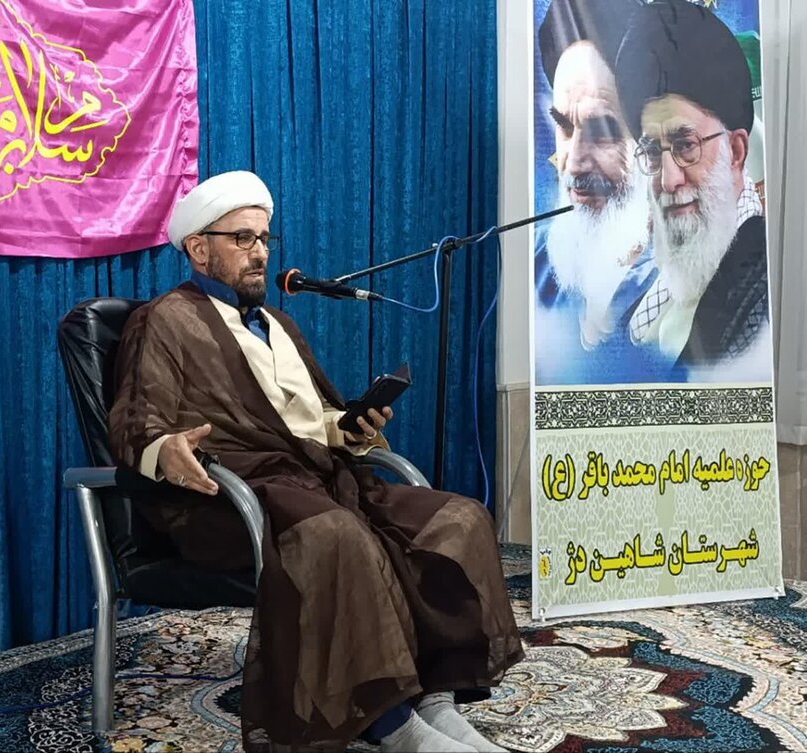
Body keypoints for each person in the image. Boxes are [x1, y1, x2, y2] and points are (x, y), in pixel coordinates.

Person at [108, 171, 523, 752]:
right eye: (242, 239)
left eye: (264, 238)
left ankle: (436, 699)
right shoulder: (165, 319)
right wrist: (167, 448)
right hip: (234, 498)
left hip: (320, 481)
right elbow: (137, 419)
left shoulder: (281, 324)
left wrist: (350, 428)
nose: (260, 252)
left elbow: (314, 419)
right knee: (337, 535)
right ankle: (394, 728)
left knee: (459, 518)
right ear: (199, 249)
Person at [614, 0, 770, 380]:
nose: (668, 180)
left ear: (736, 151)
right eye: (653, 152)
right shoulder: (647, 289)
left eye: (685, 145)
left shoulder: (766, 290)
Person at [534, 0, 662, 385]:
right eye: (565, 127)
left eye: (601, 131)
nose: (573, 163)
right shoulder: (540, 265)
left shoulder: (708, 276)